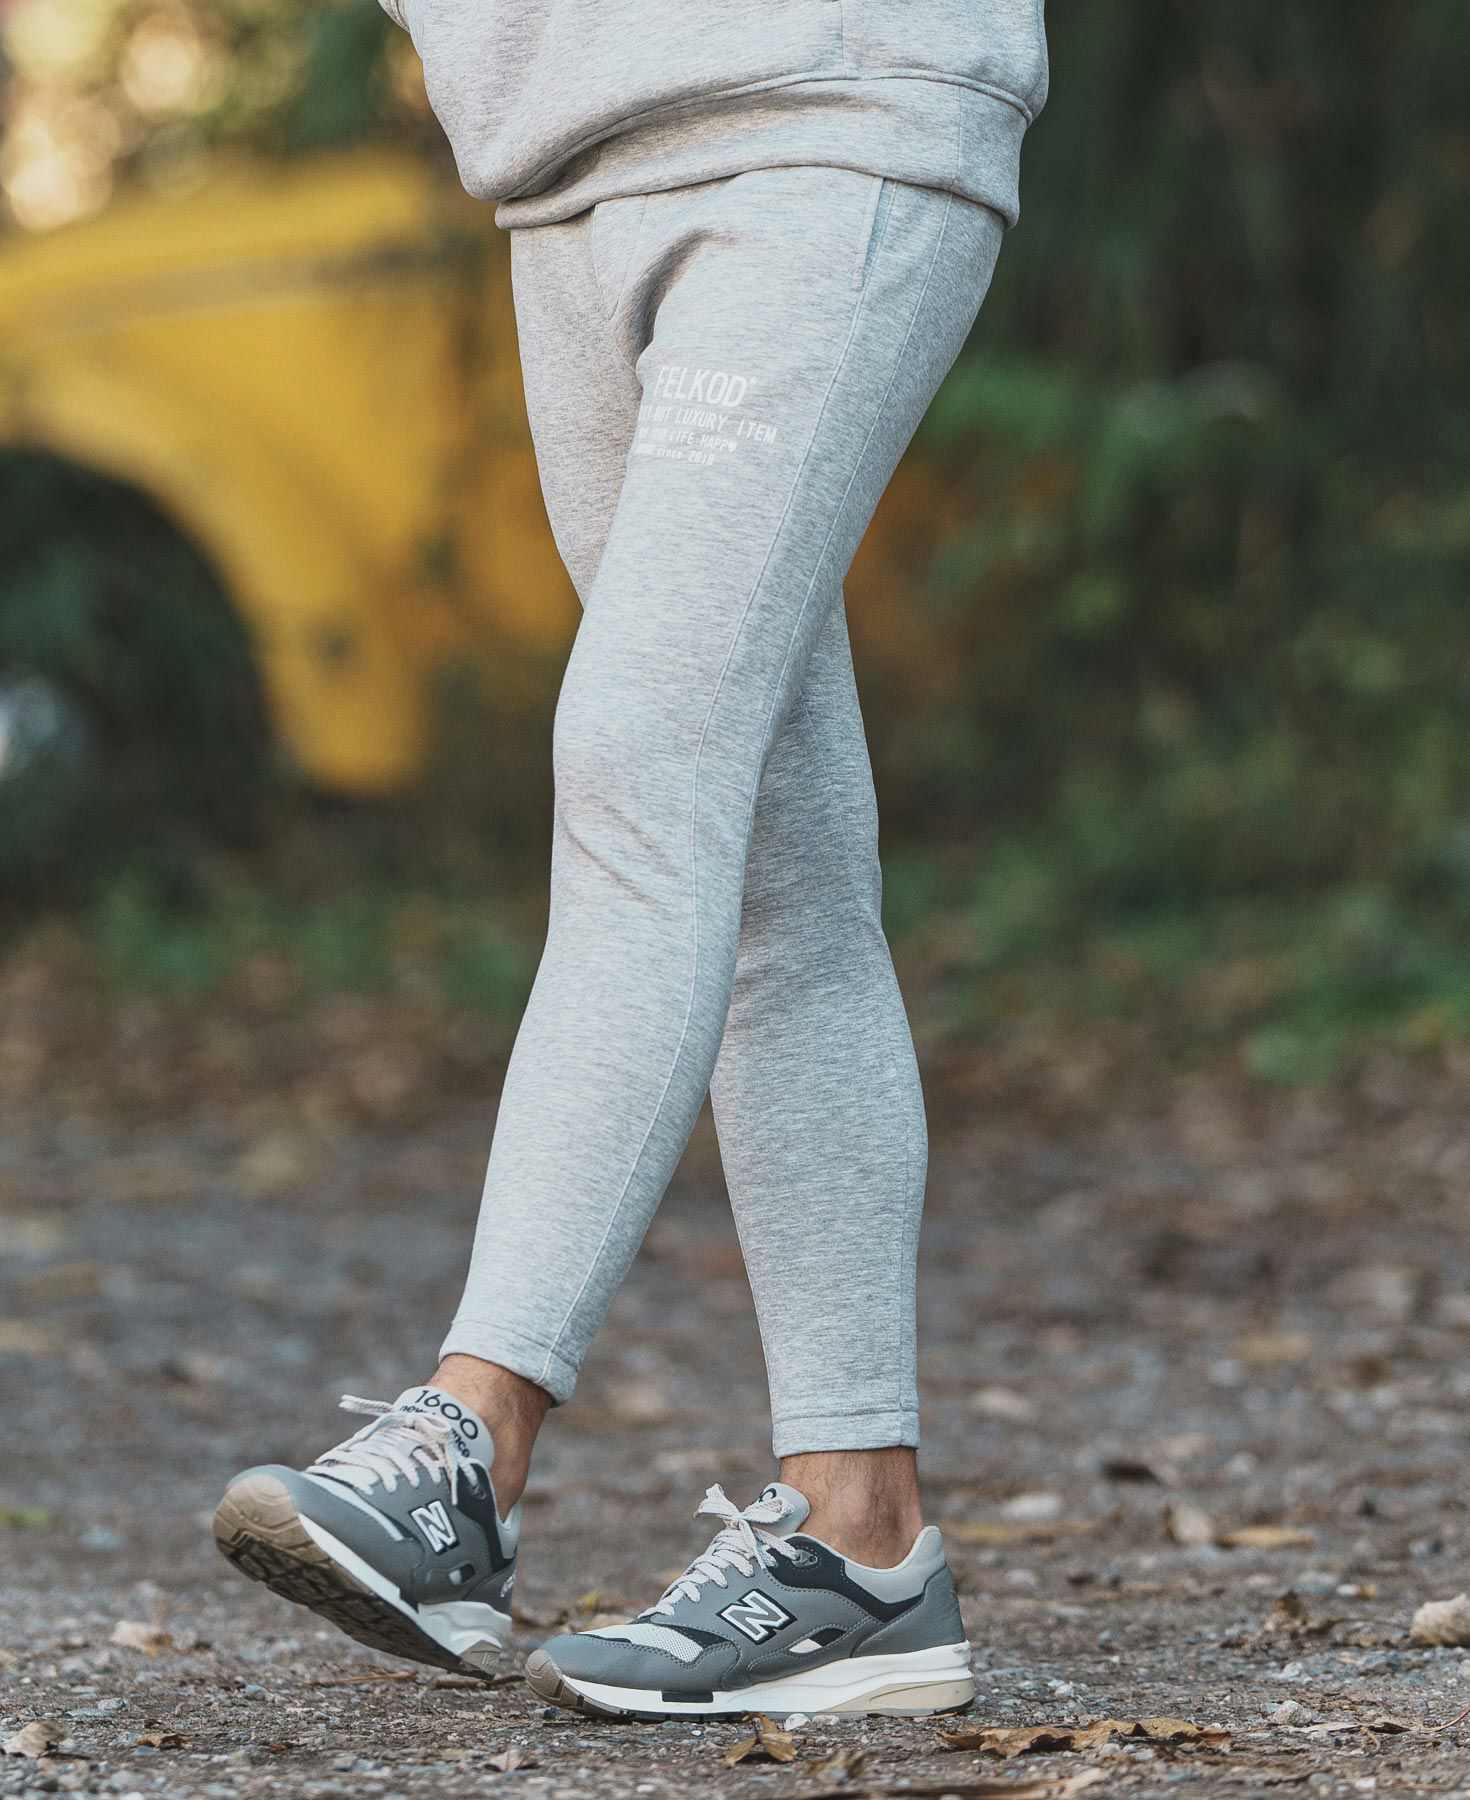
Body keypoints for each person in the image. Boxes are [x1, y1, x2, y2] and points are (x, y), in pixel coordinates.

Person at [214, 0, 1048, 1720]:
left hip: (820, 116)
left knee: (640, 758)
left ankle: (470, 1439)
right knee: (777, 870)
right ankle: (859, 1550)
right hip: (563, 163)